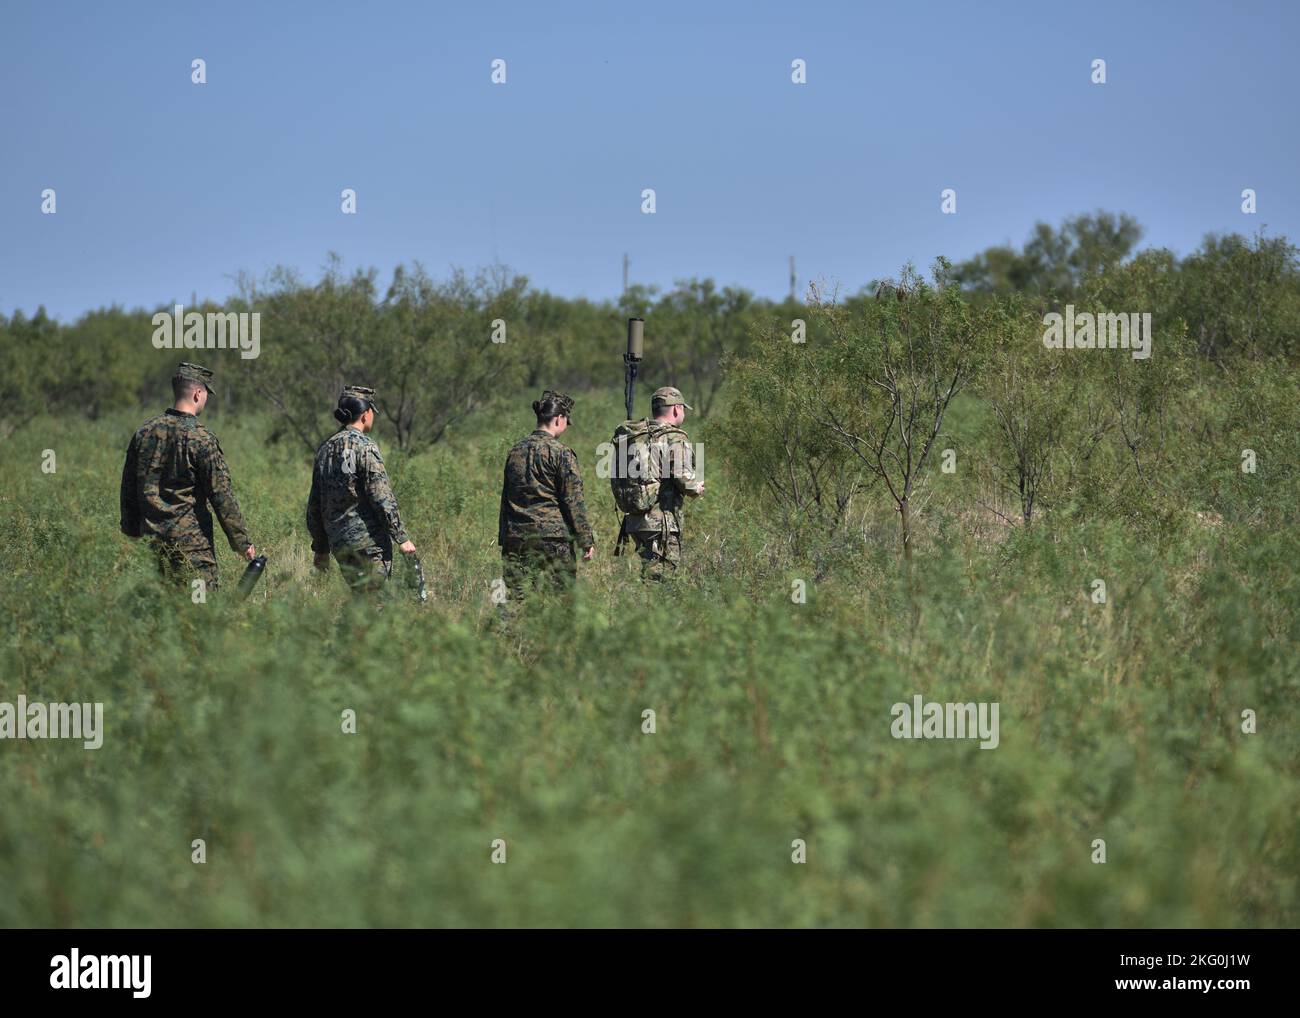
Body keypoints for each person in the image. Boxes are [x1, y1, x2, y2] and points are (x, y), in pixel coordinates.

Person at [119, 361, 256, 590]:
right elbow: (222, 497)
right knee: (199, 615)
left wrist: (132, 532)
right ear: (197, 393)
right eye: (206, 394)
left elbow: (129, 488)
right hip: (192, 549)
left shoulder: (144, 432)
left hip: (152, 545)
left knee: (165, 616)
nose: (206, 399)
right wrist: (243, 543)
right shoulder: (201, 438)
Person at [306, 385, 416, 594]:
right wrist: (401, 537)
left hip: (341, 544)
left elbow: (315, 503)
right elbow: (381, 496)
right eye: (372, 412)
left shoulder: (325, 448)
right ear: (365, 414)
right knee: (375, 606)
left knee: (362, 602)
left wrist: (321, 548)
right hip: (369, 544)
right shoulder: (365, 447)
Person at [497, 390, 595, 602]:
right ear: (559, 419)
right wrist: (585, 539)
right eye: (566, 421)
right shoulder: (561, 453)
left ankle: (512, 636)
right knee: (560, 603)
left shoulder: (515, 451)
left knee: (517, 600)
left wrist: (505, 537)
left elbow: (506, 497)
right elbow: (573, 500)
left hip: (517, 538)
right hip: (553, 540)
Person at [618, 386, 704, 580]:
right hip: (661, 523)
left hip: (635, 522)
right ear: (676, 409)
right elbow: (683, 478)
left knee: (649, 574)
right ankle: (647, 610)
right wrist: (696, 488)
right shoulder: (675, 436)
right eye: (682, 408)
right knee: (661, 581)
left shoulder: (637, 435)